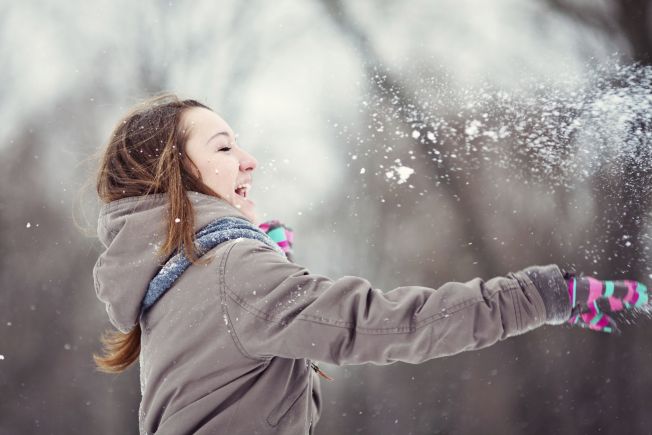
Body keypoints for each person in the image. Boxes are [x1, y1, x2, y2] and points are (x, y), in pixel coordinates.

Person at [92, 93, 648, 435]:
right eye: (221, 148)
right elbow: (386, 324)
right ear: (175, 173)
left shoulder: (173, 280)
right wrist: (543, 296)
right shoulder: (232, 274)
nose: (248, 159)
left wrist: (273, 266)